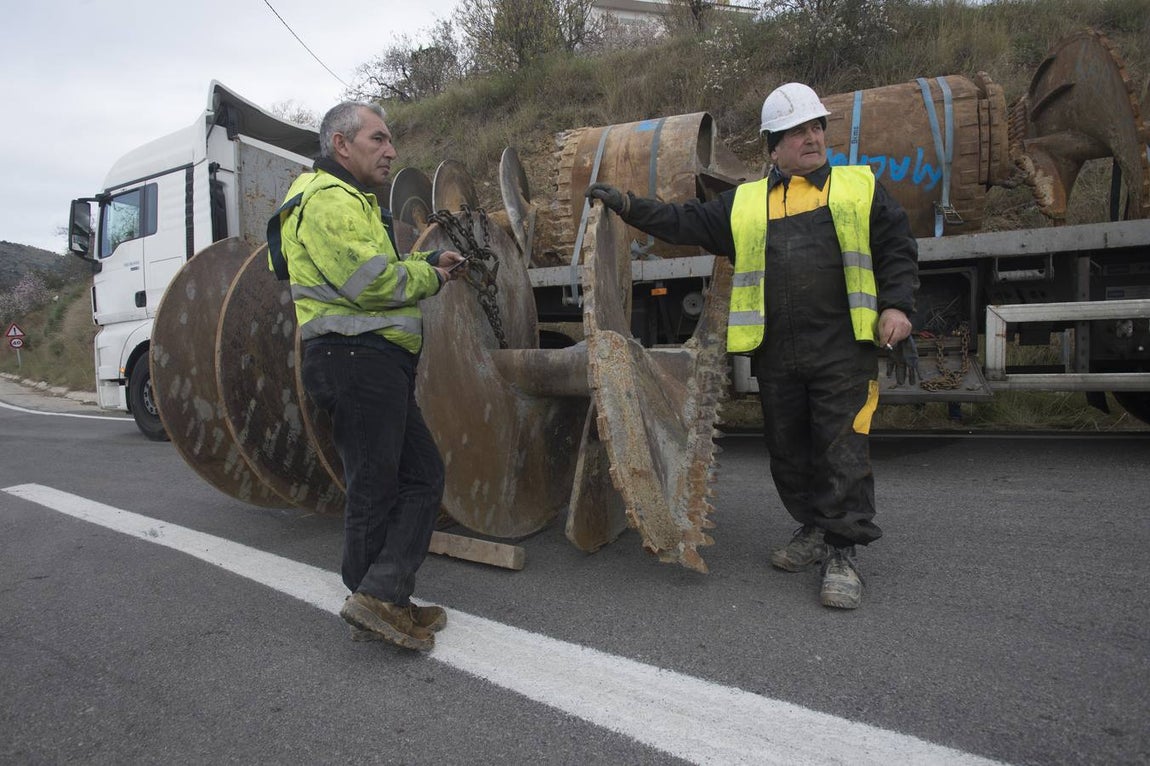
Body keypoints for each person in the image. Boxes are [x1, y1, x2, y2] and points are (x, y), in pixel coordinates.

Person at [585, 83, 918, 609]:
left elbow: (896, 246)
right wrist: (627, 205)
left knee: (842, 450)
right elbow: (683, 221)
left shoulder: (858, 188)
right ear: (773, 146)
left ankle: (842, 552)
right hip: (778, 353)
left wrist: (897, 305)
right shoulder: (745, 205)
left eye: (816, 128)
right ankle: (811, 528)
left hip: (841, 350)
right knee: (788, 452)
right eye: (797, 131)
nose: (812, 138)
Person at [268, 101, 467, 649]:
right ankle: (377, 598)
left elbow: (368, 275)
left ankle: (382, 596)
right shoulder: (327, 199)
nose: (391, 150)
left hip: (370, 361)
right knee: (380, 486)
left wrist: (426, 268)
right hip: (354, 359)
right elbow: (370, 282)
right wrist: (429, 276)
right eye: (378, 139)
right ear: (340, 145)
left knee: (415, 476)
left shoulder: (351, 201)